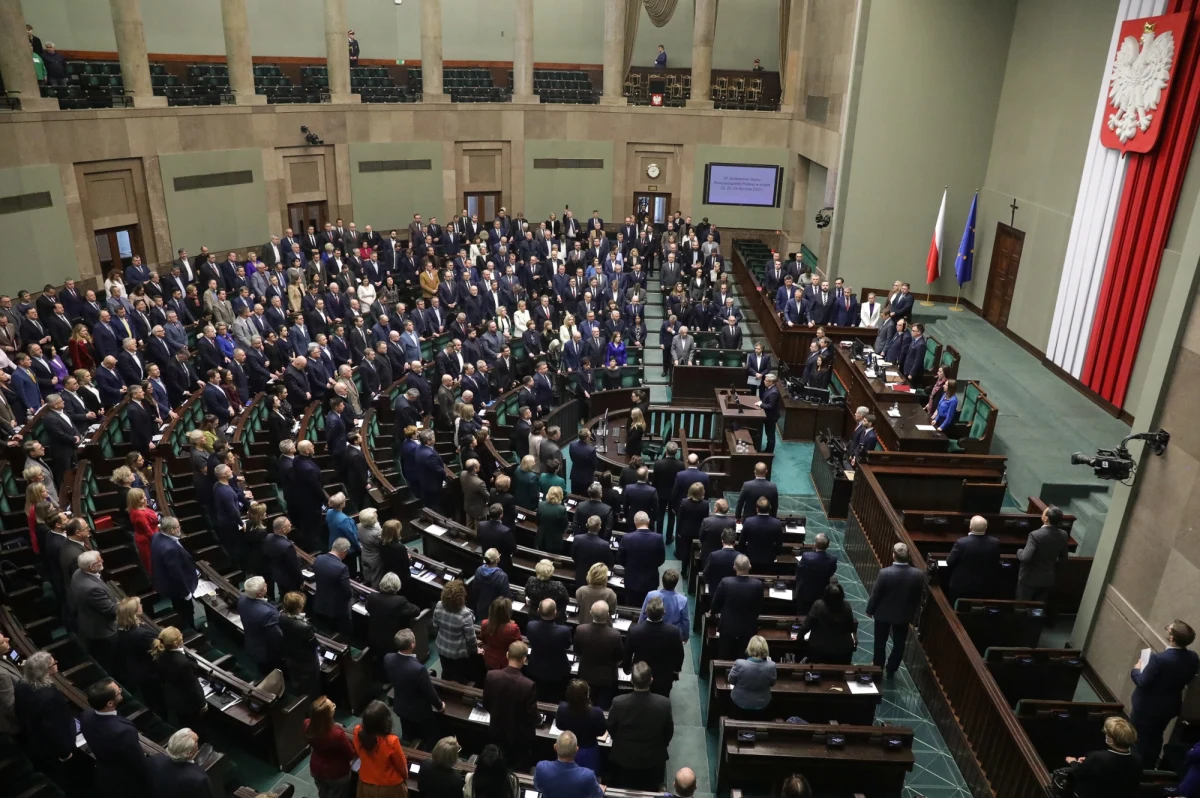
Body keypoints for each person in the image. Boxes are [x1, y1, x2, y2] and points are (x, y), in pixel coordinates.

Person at [1130, 619, 1199, 767]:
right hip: (1168, 707)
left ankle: (1134, 768)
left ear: (1172, 638)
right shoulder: (1193, 657)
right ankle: (1149, 767)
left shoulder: (1159, 659)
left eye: (1169, 629)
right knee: (1156, 738)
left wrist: (1136, 669)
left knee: (1138, 739)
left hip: (1146, 708)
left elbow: (1142, 682)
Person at [607, 661, 674, 791]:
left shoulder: (618, 702)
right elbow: (668, 733)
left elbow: (611, 728)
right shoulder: (664, 704)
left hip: (623, 758)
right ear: (651, 680)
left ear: (631, 680)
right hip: (652, 760)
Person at [78, 677, 149, 798]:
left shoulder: (86, 715)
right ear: (109, 703)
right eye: (118, 691)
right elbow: (139, 764)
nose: (121, 690)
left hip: (105, 773)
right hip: (128, 782)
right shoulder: (123, 732)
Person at [866, 542, 927, 678]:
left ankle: (878, 666)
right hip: (903, 615)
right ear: (908, 556)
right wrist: (912, 613)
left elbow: (876, 595)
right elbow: (918, 597)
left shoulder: (885, 573)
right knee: (899, 643)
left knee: (880, 642)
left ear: (893, 555)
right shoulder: (918, 574)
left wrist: (870, 610)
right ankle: (892, 668)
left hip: (883, 614)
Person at [482, 641, 539, 768]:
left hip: (496, 729)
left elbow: (486, 703)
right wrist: (539, 720)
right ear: (524, 659)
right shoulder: (528, 685)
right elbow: (530, 715)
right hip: (518, 737)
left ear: (507, 655)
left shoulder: (492, 675)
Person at [385, 629, 445, 743]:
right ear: (412, 644)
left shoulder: (388, 658)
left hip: (401, 707)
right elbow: (429, 692)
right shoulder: (418, 669)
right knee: (430, 737)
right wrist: (440, 706)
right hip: (420, 712)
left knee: (408, 733)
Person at [1065, 716, 1143, 798]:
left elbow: (1079, 772)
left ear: (1111, 740)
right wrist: (1090, 762)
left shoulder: (1098, 758)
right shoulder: (1137, 759)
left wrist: (1073, 762)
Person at [625, 596, 685, 696]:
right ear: (664, 612)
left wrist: (627, 669)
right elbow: (679, 654)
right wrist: (676, 671)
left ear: (646, 612)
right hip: (664, 677)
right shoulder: (674, 632)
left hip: (640, 675)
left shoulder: (634, 631)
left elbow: (627, 653)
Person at [152, 626, 206, 730]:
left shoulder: (160, 654)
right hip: (188, 703)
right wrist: (203, 704)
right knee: (196, 726)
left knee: (183, 722)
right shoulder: (183, 663)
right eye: (180, 635)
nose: (182, 635)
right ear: (176, 643)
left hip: (173, 697)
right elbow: (193, 687)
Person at [352, 700, 410, 797]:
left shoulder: (357, 731)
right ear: (386, 721)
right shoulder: (391, 741)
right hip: (389, 788)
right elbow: (402, 768)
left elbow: (359, 752)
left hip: (365, 783)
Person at [710, 555, 764, 660]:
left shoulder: (725, 582)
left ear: (734, 567)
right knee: (744, 657)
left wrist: (713, 612)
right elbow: (759, 606)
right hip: (748, 628)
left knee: (724, 656)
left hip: (727, 627)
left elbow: (715, 604)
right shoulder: (757, 585)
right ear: (750, 566)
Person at [71, 550, 119, 666]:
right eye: (99, 560)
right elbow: (111, 611)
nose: (102, 561)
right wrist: (123, 603)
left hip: (88, 619)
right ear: (91, 567)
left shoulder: (78, 572)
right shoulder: (92, 588)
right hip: (103, 629)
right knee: (113, 660)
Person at [150, 516, 198, 629]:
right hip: (177, 589)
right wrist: (186, 593)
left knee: (179, 608)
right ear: (172, 530)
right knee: (186, 610)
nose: (179, 529)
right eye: (178, 527)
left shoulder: (156, 536)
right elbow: (176, 575)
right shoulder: (170, 549)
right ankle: (191, 630)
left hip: (164, 581)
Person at [305, 696, 357, 798]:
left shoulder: (307, 724)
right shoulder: (337, 734)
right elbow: (350, 754)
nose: (334, 706)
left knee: (323, 794)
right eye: (333, 706)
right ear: (328, 715)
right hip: (336, 774)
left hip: (316, 769)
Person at [1016, 505, 1070, 603]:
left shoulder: (1035, 535)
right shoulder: (1064, 534)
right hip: (1047, 579)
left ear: (1046, 518)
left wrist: (1019, 551)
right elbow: (1064, 559)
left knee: (1022, 607)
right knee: (1038, 610)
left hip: (1029, 579)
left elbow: (1025, 557)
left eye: (1043, 513)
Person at [800, 578, 858, 664]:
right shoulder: (846, 606)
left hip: (820, 650)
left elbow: (807, 625)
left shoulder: (818, 605)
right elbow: (850, 627)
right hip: (842, 651)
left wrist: (799, 636)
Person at [945, 515, 1001, 602]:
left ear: (970, 527)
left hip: (961, 586)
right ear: (986, 528)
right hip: (985, 586)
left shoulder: (961, 543)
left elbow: (949, 562)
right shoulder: (995, 543)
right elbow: (996, 561)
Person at [432, 579, 479, 684]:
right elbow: (471, 639)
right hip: (458, 653)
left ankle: (444, 688)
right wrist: (474, 651)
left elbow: (435, 625)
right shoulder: (465, 614)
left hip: (441, 648)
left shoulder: (439, 605)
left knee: (446, 672)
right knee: (458, 677)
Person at [526, 598, 573, 702]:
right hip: (558, 671)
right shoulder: (564, 631)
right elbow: (567, 645)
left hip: (536, 667)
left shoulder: (531, 626)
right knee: (555, 699)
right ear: (555, 612)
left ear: (538, 610)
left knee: (538, 696)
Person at [534, 730, 604, 798]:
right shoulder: (587, 776)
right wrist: (600, 790)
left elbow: (538, 787)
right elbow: (598, 795)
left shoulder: (542, 768)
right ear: (577, 749)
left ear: (555, 747)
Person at [279, 591, 321, 701]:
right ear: (299, 608)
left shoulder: (281, 617)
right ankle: (309, 703)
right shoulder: (304, 627)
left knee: (296, 678)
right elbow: (314, 644)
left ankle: (299, 695)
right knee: (310, 685)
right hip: (307, 661)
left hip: (290, 655)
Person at [366, 571, 421, 655]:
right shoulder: (399, 601)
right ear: (397, 586)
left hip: (373, 637)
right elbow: (416, 611)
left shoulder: (372, 596)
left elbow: (367, 607)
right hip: (392, 643)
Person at [618, 511, 666, 607]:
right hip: (651, 580)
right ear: (648, 521)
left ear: (635, 522)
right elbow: (661, 559)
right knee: (650, 608)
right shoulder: (658, 538)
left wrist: (630, 567)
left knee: (631, 607)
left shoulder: (626, 538)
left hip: (631, 580)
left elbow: (620, 559)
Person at [148, 729, 211, 798]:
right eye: (196, 742)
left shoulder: (156, 759)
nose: (198, 744)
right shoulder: (198, 779)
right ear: (189, 753)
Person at [728, 635, 777, 717]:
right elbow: (772, 683)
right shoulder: (771, 666)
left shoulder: (739, 663)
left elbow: (731, 680)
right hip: (762, 703)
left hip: (739, 702)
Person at [314, 538, 354, 636]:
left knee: (325, 632)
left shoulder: (319, 558)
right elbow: (347, 592)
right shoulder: (342, 568)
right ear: (344, 551)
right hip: (337, 610)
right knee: (343, 635)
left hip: (320, 604)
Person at [639, 569, 690, 640]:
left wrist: (640, 629)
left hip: (652, 632)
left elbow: (643, 615)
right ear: (676, 583)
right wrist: (685, 636)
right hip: (673, 636)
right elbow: (685, 621)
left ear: (662, 580)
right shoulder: (682, 600)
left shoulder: (651, 595)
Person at [795, 532, 838, 615]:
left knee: (803, 612)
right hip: (821, 593)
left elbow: (799, 571)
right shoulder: (832, 560)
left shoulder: (806, 556)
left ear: (815, 544)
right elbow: (832, 572)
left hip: (805, 592)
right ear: (828, 545)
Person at [740, 496, 783, 571]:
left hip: (751, 558)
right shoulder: (777, 523)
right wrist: (775, 554)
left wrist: (744, 553)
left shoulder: (748, 522)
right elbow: (779, 543)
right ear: (769, 509)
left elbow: (742, 542)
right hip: (769, 559)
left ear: (757, 509)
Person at [481, 596, 523, 671]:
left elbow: (484, 640)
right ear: (508, 612)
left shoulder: (484, 623)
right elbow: (518, 645)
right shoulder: (512, 628)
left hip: (489, 658)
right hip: (505, 661)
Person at [471, 547, 511, 621]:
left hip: (481, 606)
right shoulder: (502, 576)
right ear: (497, 560)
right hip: (495, 611)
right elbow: (506, 597)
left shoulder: (478, 570)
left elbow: (474, 590)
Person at [537, 485, 569, 553]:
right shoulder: (562, 509)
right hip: (555, 542)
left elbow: (537, 521)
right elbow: (565, 526)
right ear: (560, 495)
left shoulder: (541, 505)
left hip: (541, 538)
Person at [756, 373, 781, 452]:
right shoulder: (770, 388)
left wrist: (761, 404)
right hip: (768, 416)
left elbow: (770, 406)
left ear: (771, 382)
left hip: (771, 417)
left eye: (766, 381)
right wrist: (762, 402)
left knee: (770, 435)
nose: (764, 381)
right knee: (769, 434)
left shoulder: (773, 392)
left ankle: (769, 452)